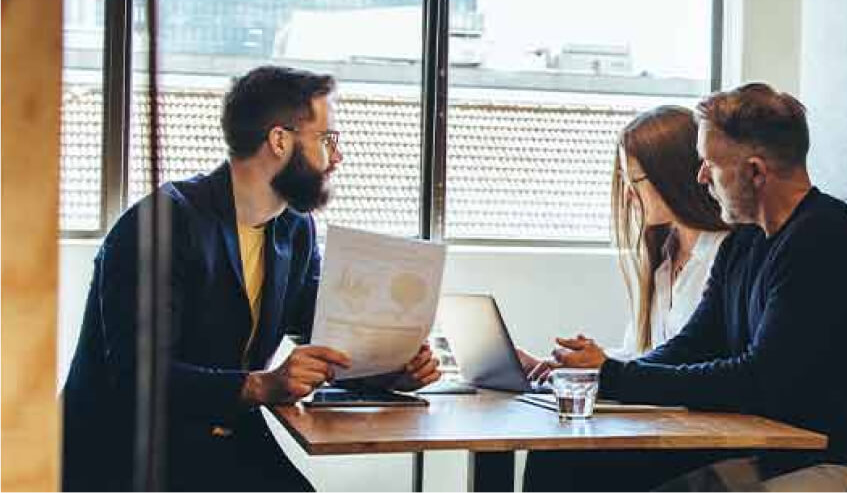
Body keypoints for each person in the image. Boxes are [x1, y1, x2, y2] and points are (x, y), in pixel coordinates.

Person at [62, 66, 441, 492]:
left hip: (219, 439)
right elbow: (138, 377)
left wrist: (391, 370)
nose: (337, 157)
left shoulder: (294, 229)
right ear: (279, 141)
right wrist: (262, 384)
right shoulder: (160, 225)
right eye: (327, 140)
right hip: (126, 454)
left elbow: (326, 334)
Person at [546, 83, 847, 491]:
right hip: (792, 458)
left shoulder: (825, 236)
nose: (700, 177)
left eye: (710, 164)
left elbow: (758, 380)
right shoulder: (744, 242)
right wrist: (603, 377)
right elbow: (694, 344)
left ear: (755, 172)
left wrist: (617, 378)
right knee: (575, 465)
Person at [517, 106, 731, 379]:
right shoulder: (664, 258)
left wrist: (604, 368)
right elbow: (642, 358)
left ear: (671, 176)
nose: (629, 195)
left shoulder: (725, 257)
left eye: (635, 180)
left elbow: (690, 368)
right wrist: (563, 368)